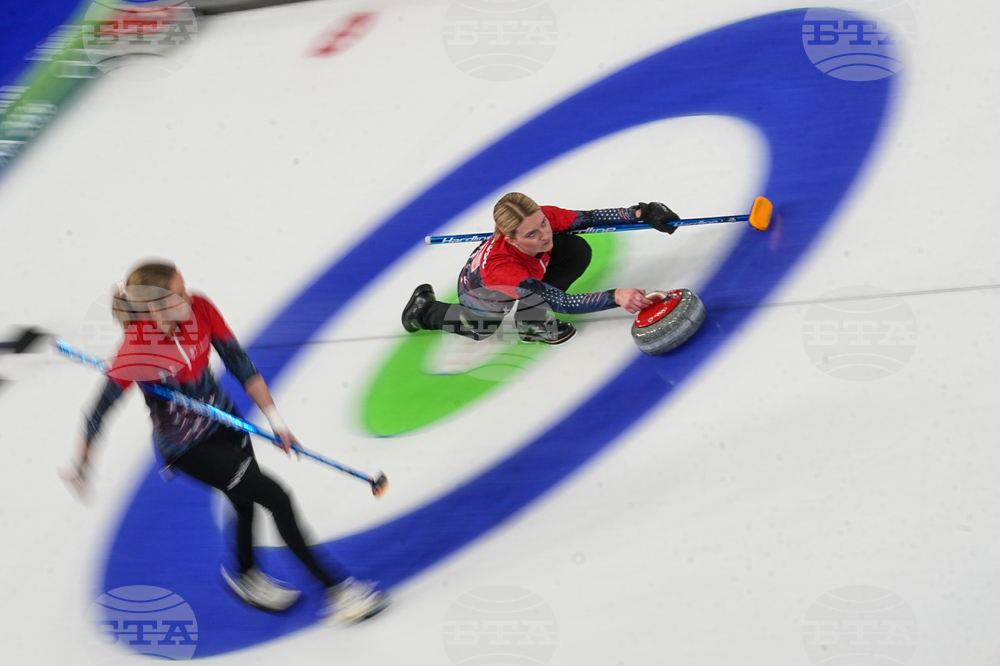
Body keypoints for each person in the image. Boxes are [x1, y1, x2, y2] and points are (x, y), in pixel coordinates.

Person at [62, 261, 387, 623]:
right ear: (154, 307)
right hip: (188, 448)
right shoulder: (136, 351)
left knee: (244, 500)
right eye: (179, 294)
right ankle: (338, 591)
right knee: (276, 498)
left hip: (226, 423)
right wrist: (82, 463)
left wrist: (276, 421)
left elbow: (239, 364)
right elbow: (96, 413)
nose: (189, 296)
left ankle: (245, 574)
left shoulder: (200, 309)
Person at [402, 192, 681, 344]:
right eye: (531, 235)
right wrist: (616, 296)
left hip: (527, 270)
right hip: (484, 294)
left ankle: (529, 321)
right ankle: (423, 309)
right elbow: (564, 302)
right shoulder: (503, 270)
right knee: (482, 329)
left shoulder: (543, 218)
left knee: (575, 248)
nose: (544, 235)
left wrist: (639, 213)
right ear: (511, 239)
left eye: (543, 225)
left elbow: (588, 219)